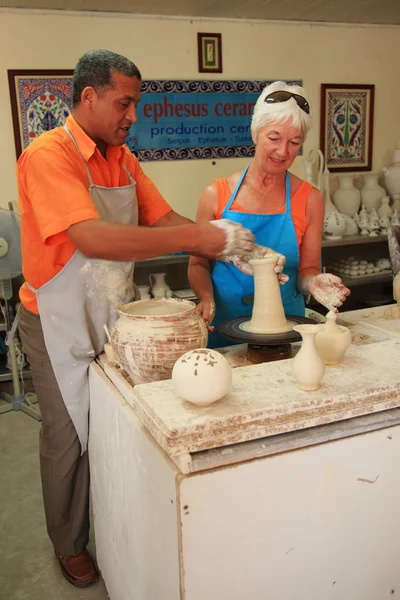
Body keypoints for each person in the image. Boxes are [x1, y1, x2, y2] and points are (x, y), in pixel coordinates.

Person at [16, 49, 255, 588]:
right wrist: (197, 237)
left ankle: (115, 518)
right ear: (89, 97)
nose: (133, 116)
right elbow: (91, 238)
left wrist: (222, 243)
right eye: (124, 103)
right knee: (67, 434)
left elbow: (162, 217)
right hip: (55, 319)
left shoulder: (121, 159)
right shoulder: (48, 155)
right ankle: (68, 542)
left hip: (109, 312)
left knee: (112, 420)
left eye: (136, 104)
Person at [188, 81, 350, 348]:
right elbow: (197, 265)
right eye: (274, 138)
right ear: (255, 134)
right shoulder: (215, 194)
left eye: (294, 142)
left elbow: (306, 270)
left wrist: (314, 282)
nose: (283, 151)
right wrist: (206, 298)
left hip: (285, 328)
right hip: (224, 330)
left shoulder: (310, 199)